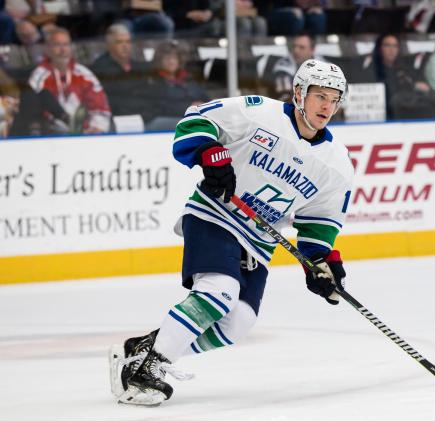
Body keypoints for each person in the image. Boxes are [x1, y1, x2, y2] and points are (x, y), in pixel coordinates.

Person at [108, 58, 353, 406]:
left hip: (258, 241)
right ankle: (147, 369)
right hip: (216, 214)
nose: (327, 106)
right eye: (319, 96)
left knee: (238, 322)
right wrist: (211, 154)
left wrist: (321, 263)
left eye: (334, 98)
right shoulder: (258, 112)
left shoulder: (337, 163)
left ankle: (147, 347)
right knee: (219, 291)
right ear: (299, 93)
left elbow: (319, 223)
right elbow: (196, 119)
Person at [26, 27, 111, 134]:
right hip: (51, 136)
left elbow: (100, 106)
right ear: (47, 49)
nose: (62, 50)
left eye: (66, 45)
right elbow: (33, 110)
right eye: (57, 45)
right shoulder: (39, 76)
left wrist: (97, 127)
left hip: (85, 134)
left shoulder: (84, 74)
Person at [140, 40, 207, 131]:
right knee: (192, 125)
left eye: (174, 58)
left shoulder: (187, 78)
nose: (171, 61)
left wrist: (208, 104)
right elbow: (162, 106)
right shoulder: (153, 81)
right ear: (159, 60)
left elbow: (203, 96)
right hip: (160, 120)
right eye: (167, 58)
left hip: (191, 116)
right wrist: (190, 107)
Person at [91, 24, 150, 119]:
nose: (125, 46)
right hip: (116, 120)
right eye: (119, 42)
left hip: (145, 117)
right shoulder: (100, 68)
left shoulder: (137, 66)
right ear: (109, 45)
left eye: (128, 42)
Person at [269, 31, 317, 101]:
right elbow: (285, 98)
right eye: (294, 46)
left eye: (301, 47)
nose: (296, 50)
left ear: (312, 50)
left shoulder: (324, 64)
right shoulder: (283, 66)